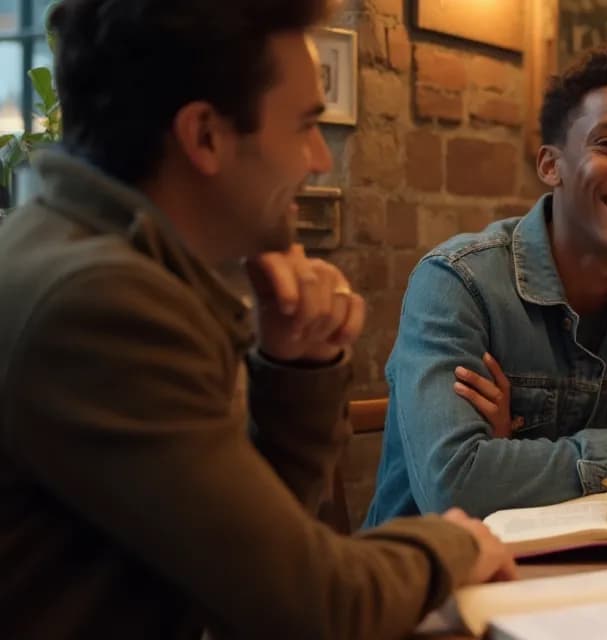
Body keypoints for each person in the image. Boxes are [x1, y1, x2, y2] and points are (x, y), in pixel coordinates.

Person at [0, 1, 517, 638]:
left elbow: (245, 566)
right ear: (205, 136)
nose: (318, 160)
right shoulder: (100, 302)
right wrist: (454, 544)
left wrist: (294, 371)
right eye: (304, 126)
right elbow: (313, 607)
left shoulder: (79, 253)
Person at [365, 46, 607, 523]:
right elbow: (455, 486)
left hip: (606, 578)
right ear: (551, 166)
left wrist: (516, 461)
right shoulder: (458, 281)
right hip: (440, 580)